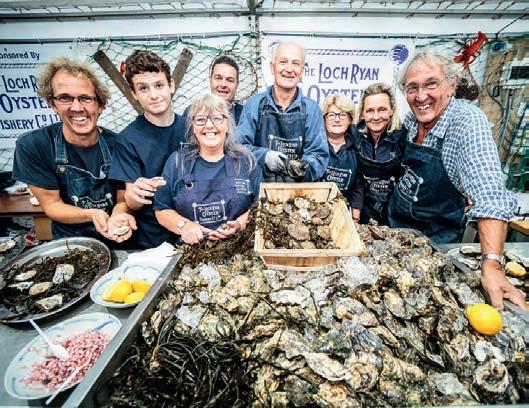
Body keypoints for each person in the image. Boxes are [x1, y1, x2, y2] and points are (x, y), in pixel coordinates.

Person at [387, 49, 524, 310]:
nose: (421, 96)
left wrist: (492, 265)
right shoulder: (411, 120)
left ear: (452, 85)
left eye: (431, 84)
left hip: (436, 241)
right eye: (413, 87)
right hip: (396, 229)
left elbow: (489, 193)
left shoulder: (466, 122)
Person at [12, 57, 135, 244]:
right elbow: (52, 205)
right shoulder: (34, 146)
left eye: (86, 98)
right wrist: (92, 214)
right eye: (65, 98)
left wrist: (119, 216)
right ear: (52, 104)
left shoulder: (120, 144)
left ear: (100, 105)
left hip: (117, 237)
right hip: (70, 242)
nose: (77, 107)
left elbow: (122, 200)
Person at [154, 93, 262, 245]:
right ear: (193, 127)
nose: (209, 125)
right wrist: (185, 226)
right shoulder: (177, 162)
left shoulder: (246, 161)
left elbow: (261, 206)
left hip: (239, 247)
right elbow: (162, 209)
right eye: (201, 119)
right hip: (191, 250)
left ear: (227, 125)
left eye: (217, 118)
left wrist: (239, 224)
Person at [109, 50, 186, 248]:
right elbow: (131, 202)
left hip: (191, 231)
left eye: (159, 85)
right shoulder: (127, 140)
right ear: (134, 94)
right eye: (143, 88)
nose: (153, 95)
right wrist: (135, 194)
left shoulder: (192, 129)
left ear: (171, 85)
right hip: (153, 241)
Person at [237, 41, 328, 182]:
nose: (289, 69)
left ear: (302, 70)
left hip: (298, 190)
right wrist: (264, 156)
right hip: (260, 189)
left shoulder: (312, 110)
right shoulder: (254, 104)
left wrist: (302, 167)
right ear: (272, 67)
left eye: (296, 63)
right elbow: (239, 148)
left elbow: (319, 155)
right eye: (283, 62)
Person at [351, 82, 406, 225]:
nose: (376, 117)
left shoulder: (404, 137)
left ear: (391, 110)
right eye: (370, 111)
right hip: (365, 208)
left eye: (382, 110)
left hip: (395, 211)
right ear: (362, 113)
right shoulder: (354, 134)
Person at [320, 95, 363, 220]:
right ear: (324, 119)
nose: (337, 120)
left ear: (350, 120)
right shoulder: (315, 146)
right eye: (331, 115)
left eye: (342, 115)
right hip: (315, 209)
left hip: (342, 212)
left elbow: (358, 185)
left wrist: (355, 218)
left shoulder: (357, 148)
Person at [181, 55, 243, 140]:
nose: (223, 84)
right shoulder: (192, 111)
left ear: (237, 85)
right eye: (218, 78)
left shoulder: (244, 114)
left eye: (230, 80)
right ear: (210, 81)